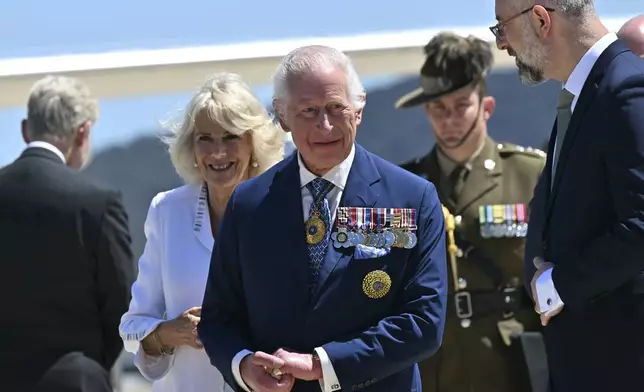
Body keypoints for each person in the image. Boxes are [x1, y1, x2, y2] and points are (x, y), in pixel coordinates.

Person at [198, 45, 448, 392]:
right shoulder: (249, 203)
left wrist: (323, 365)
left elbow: (424, 322)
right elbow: (218, 318)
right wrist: (242, 366)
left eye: (336, 108)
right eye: (309, 111)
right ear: (283, 117)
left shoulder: (412, 198)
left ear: (358, 109)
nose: (325, 125)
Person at [492, 0, 644, 390]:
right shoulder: (586, 93)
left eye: (502, 26)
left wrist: (558, 285)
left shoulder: (624, 87)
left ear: (542, 20)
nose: (502, 44)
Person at [396, 31, 547, 392]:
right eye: (438, 109)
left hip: (510, 365)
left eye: (461, 105)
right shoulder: (403, 186)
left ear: (486, 107)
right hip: (434, 365)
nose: (449, 119)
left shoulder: (532, 174)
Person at [118, 72, 285, 392]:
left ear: (254, 142)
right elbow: (131, 329)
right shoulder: (166, 211)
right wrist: (168, 333)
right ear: (191, 148)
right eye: (205, 138)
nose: (218, 152)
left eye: (231, 136)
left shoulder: (286, 210)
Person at [0, 75, 134, 390]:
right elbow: (121, 303)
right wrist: (89, 367)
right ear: (83, 132)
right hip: (76, 380)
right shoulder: (99, 203)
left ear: (25, 129)